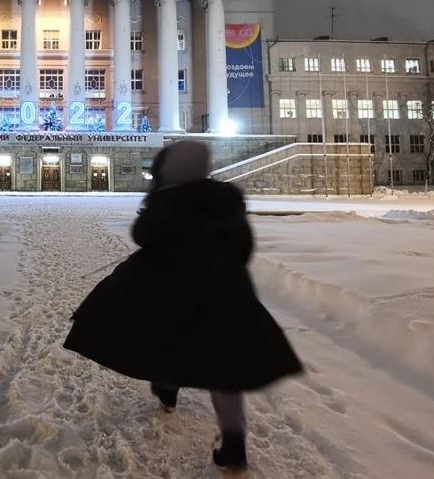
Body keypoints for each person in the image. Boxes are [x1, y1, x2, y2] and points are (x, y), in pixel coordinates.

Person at [63, 140, 303, 471]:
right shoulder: (226, 201)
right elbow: (243, 248)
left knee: (170, 341)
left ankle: (166, 389)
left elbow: (143, 235)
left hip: (170, 291)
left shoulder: (166, 202)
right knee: (224, 369)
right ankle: (234, 446)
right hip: (223, 293)